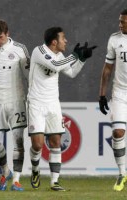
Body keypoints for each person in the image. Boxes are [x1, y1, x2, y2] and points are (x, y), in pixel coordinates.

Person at [28, 27, 96, 191]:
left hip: (53, 104)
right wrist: (74, 55)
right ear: (54, 42)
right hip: (36, 103)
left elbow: (71, 73)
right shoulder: (39, 51)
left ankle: (54, 182)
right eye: (63, 38)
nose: (66, 41)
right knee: (37, 145)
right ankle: (36, 169)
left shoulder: (60, 55)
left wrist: (82, 60)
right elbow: (56, 66)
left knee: (56, 141)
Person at [0, 19, 29, 191]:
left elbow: (29, 76)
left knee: (18, 142)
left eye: (0, 37)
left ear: (7, 34)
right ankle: (5, 171)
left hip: (16, 102)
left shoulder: (19, 49)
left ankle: (16, 180)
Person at [99, 8, 127, 192]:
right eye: (119, 21)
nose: (120, 24)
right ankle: (122, 173)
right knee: (118, 132)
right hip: (121, 93)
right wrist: (102, 94)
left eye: (123, 21)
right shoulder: (115, 39)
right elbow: (108, 68)